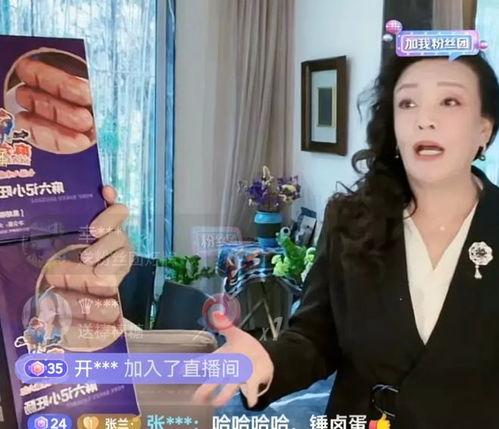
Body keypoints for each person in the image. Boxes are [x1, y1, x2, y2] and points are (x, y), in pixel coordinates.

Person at [193, 51, 499, 428]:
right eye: (408, 103)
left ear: (484, 129)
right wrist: (268, 360)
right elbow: (315, 338)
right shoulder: (352, 220)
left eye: (450, 101)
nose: (425, 119)